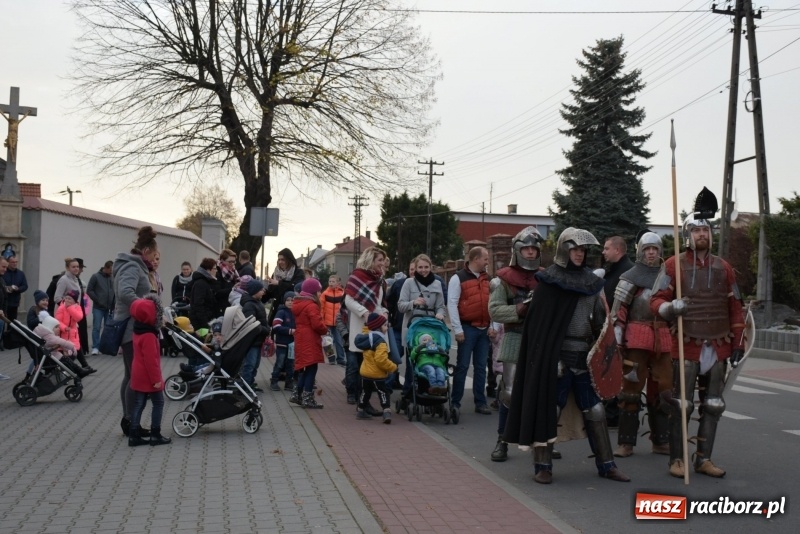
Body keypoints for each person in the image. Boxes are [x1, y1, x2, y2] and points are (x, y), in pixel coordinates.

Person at [503, 227, 630, 484]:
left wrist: (603, 347)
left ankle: (607, 465)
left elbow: (599, 321)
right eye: (575, 249)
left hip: (585, 356)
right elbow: (539, 328)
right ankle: (543, 465)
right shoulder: (549, 282)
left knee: (595, 411)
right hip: (556, 357)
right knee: (549, 408)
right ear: (564, 250)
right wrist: (552, 358)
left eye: (583, 250)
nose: (580, 254)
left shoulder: (592, 283)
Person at [650, 214, 745, 478]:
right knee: (683, 405)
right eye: (696, 230)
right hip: (687, 342)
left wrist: (738, 343)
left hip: (718, 342)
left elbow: (735, 307)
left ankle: (704, 459)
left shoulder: (724, 267)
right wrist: (670, 307)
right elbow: (655, 300)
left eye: (705, 229)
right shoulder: (672, 265)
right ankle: (677, 459)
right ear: (687, 235)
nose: (702, 234)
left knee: (714, 404)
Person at [611, 232, 673, 458]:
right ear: (640, 252)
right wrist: (617, 341)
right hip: (636, 337)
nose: (651, 253)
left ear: (660, 251)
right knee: (630, 391)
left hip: (662, 336)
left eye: (655, 249)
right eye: (647, 249)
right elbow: (618, 312)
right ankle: (626, 443)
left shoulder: (669, 278)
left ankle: (661, 441)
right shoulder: (630, 277)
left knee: (665, 390)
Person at [488, 227, 545, 462]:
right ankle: (502, 441)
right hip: (514, 337)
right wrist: (519, 309)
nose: (530, 253)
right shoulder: (502, 280)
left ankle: (544, 441)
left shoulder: (546, 277)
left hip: (539, 339)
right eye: (526, 249)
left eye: (534, 249)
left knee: (541, 392)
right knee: (509, 393)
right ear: (518, 250)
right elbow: (494, 309)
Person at [114, 226, 160, 438]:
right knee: (135, 377)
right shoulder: (132, 267)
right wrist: (145, 308)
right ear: (146, 251)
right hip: (132, 328)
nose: (154, 259)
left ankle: (129, 419)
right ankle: (132, 421)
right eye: (153, 254)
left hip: (134, 326)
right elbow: (125, 293)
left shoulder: (135, 265)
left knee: (130, 375)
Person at [447, 246, 494, 415]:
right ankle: (456, 402)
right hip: (467, 328)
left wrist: (493, 326)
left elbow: (492, 304)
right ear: (476, 259)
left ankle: (480, 402)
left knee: (481, 367)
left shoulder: (487, 278)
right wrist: (458, 329)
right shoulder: (457, 278)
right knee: (463, 366)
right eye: (485, 259)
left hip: (484, 329)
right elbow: (451, 304)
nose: (487, 262)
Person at [344, 246, 389, 415]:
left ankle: (365, 403)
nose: (382, 264)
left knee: (374, 366)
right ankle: (360, 403)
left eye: (383, 261)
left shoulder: (381, 279)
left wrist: (384, 314)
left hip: (377, 326)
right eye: (379, 260)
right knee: (361, 366)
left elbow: (381, 303)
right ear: (370, 260)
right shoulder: (357, 276)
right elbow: (348, 301)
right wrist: (365, 313)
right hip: (361, 326)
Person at [398, 254, 446, 397]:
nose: (423, 270)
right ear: (416, 268)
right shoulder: (408, 283)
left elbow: (441, 306)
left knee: (431, 358)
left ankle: (430, 390)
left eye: (426, 267)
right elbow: (400, 305)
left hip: (432, 328)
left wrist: (440, 313)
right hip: (413, 326)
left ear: (431, 267)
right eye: (420, 267)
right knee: (413, 360)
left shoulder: (437, 284)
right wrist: (413, 303)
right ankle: (409, 393)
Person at [127, 295, 172, 447]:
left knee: (139, 403)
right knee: (158, 403)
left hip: (137, 373)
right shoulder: (149, 336)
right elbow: (151, 361)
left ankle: (133, 434)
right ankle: (155, 433)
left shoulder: (138, 330)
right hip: (148, 375)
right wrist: (156, 380)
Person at [290, 278, 328, 409]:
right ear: (313, 292)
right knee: (312, 368)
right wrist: (325, 329)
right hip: (310, 339)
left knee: (305, 368)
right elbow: (317, 324)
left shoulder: (299, 303)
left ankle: (297, 394)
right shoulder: (311, 305)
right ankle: (308, 398)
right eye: (318, 291)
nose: (320, 294)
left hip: (301, 337)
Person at [354, 312, 397, 423]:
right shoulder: (380, 343)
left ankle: (361, 410)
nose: (386, 328)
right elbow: (381, 360)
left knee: (365, 392)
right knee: (383, 392)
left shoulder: (366, 337)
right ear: (378, 327)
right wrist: (392, 367)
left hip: (365, 372)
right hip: (377, 374)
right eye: (384, 325)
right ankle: (386, 411)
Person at [239, 278, 270, 392]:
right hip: (252, 341)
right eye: (261, 290)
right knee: (250, 364)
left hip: (258, 340)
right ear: (254, 291)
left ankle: (250, 384)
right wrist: (265, 329)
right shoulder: (249, 305)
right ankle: (245, 387)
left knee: (255, 364)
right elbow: (251, 324)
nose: (263, 292)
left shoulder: (257, 302)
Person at [266, 248, 305, 322]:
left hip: (292, 309)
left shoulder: (298, 272)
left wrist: (278, 283)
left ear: (289, 260)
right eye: (279, 260)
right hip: (277, 308)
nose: (280, 262)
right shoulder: (276, 273)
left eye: (283, 260)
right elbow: (271, 293)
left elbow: (296, 287)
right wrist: (262, 291)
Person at [87, 260, 115, 355]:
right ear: (106, 268)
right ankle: (95, 347)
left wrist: (114, 303)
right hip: (98, 307)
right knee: (97, 327)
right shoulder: (95, 277)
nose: (112, 272)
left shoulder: (112, 277)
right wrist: (97, 300)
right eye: (111, 270)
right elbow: (89, 290)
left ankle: (105, 346)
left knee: (108, 328)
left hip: (110, 307)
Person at [270, 292, 296, 391]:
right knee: (280, 363)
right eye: (288, 300)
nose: (290, 302)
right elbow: (276, 326)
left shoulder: (297, 313)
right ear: (284, 301)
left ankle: (289, 383)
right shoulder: (281, 312)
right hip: (282, 343)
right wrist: (290, 331)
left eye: (292, 300)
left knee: (291, 364)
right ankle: (274, 381)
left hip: (292, 344)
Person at [321, 275, 346, 365]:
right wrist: (322, 320)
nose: (331, 283)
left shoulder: (342, 293)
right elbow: (322, 308)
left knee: (339, 341)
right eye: (330, 281)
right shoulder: (325, 294)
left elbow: (344, 308)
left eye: (333, 281)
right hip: (327, 322)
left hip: (338, 322)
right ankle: (331, 358)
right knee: (327, 341)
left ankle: (340, 358)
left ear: (338, 283)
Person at [189, 258, 220, 331]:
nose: (216, 271)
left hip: (205, 321)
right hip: (200, 324)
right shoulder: (201, 284)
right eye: (214, 269)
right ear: (208, 270)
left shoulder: (206, 282)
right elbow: (198, 306)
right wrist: (205, 325)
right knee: (203, 341)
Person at [2, 255, 28, 322]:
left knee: (12, 322)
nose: (15, 264)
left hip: (14, 302)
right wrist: (7, 288)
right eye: (13, 262)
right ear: (8, 262)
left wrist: (18, 289)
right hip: (3, 301)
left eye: (16, 262)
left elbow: (25, 286)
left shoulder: (21, 274)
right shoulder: (3, 272)